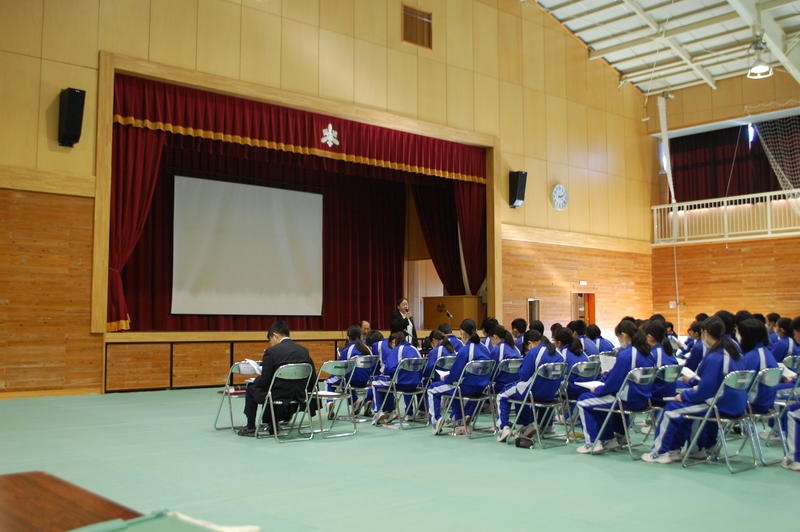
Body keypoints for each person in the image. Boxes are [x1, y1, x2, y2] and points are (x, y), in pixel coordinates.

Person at [642, 316, 747, 464]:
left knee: (672, 409)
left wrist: (685, 396)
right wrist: (691, 389)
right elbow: (712, 384)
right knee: (687, 408)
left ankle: (659, 452)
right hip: (738, 404)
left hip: (720, 405)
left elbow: (705, 391)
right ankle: (697, 449)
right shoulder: (733, 351)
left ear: (705, 332)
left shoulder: (715, 357)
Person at [575, 320, 655, 454]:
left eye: (618, 337)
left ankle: (592, 443)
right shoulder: (647, 353)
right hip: (644, 399)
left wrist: (598, 389)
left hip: (626, 400)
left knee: (584, 401)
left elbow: (613, 385)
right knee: (598, 402)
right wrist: (608, 376)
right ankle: (609, 439)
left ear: (623, 335)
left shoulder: (626, 355)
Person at [238, 321, 317, 437]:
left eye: (270, 340)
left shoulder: (271, 352)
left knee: (251, 388)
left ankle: (250, 427)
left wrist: (254, 380)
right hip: (299, 394)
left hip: (277, 395)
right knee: (274, 387)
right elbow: (312, 375)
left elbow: (265, 381)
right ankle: (273, 422)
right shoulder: (303, 350)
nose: (271, 344)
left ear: (275, 335)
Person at [495, 330, 563, 442]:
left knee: (503, 395)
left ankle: (503, 428)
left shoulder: (534, 352)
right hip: (552, 393)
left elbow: (524, 376)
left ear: (530, 343)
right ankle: (544, 425)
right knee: (521, 392)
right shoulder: (558, 353)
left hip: (534, 393)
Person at [427, 319, 492, 434]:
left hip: (466, 389)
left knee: (432, 389)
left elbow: (455, 375)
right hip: (483, 388)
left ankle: (436, 421)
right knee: (457, 386)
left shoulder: (465, 350)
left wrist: (445, 378)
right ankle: (462, 417)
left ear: (462, 333)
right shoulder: (485, 349)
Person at [372, 331, 423, 424]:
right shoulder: (414, 349)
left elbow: (388, 369)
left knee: (376, 383)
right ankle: (408, 413)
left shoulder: (397, 350)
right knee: (407, 378)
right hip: (417, 384)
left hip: (400, 385)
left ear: (394, 341)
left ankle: (378, 411)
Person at [325, 325, 371, 418]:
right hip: (366, 381)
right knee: (347, 380)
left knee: (329, 381)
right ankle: (355, 402)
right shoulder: (367, 348)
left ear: (348, 337)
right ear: (360, 335)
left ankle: (329, 402)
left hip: (352, 380)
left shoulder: (348, 350)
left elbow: (340, 368)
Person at [489, 325, 523, 391]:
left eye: (490, 339)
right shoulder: (515, 348)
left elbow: (492, 371)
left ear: (495, 337)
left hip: (501, 386)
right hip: (516, 384)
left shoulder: (497, 349)